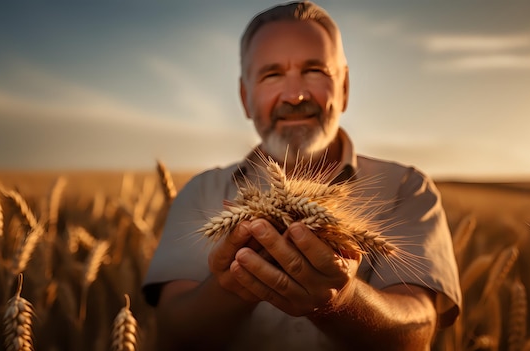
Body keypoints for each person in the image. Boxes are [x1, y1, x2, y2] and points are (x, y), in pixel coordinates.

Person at [142, 1, 461, 350]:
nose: (295, 95)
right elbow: (172, 333)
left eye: (315, 71)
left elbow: (418, 333)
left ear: (344, 89)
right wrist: (232, 287)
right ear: (245, 98)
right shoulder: (200, 193)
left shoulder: (407, 188)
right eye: (272, 75)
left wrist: (343, 302)